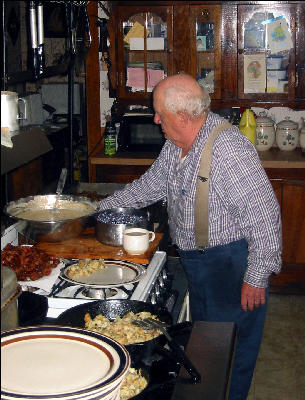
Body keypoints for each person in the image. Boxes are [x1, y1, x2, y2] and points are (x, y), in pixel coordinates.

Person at [98, 73, 282, 400]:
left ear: (182, 117)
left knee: (232, 351)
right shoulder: (176, 145)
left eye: (159, 113)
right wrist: (100, 208)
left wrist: (256, 276)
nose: (155, 120)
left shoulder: (229, 150)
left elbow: (265, 216)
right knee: (207, 345)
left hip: (232, 266)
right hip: (200, 266)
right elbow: (148, 186)